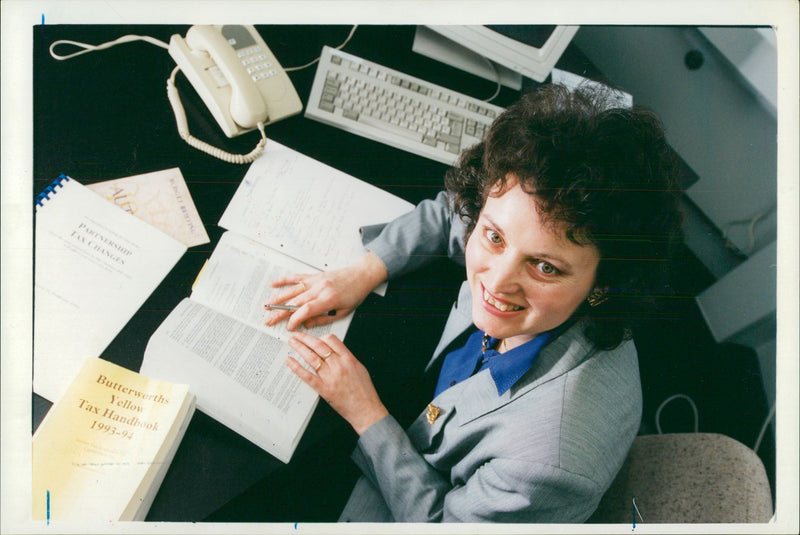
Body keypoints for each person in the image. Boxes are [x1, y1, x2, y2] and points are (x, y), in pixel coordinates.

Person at [264, 83, 683, 522]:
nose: (496, 282)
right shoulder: (524, 232)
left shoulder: (544, 467)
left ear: (604, 285)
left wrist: (365, 413)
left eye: (544, 268)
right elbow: (456, 211)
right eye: (495, 237)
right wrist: (364, 271)